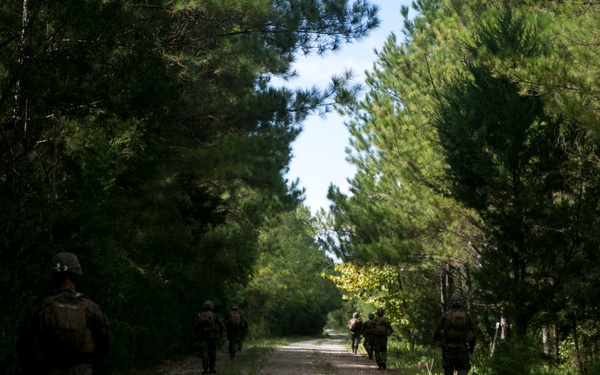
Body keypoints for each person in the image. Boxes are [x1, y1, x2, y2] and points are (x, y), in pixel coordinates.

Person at [17, 252, 113, 375]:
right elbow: (105, 344)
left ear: (54, 277)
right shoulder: (90, 307)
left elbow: (24, 348)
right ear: (76, 275)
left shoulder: (41, 308)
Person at [432, 294, 476, 375]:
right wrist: (471, 348)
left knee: (448, 370)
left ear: (450, 304)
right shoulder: (467, 317)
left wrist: (435, 339)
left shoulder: (445, 316)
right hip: (462, 348)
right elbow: (473, 333)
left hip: (449, 349)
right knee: (463, 369)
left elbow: (437, 331)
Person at [194, 300, 224, 374]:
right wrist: (219, 334)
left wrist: (197, 335)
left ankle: (205, 369)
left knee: (204, 353)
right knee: (212, 353)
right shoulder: (215, 315)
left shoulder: (201, 315)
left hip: (203, 337)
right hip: (212, 337)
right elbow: (222, 325)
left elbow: (195, 327)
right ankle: (212, 368)